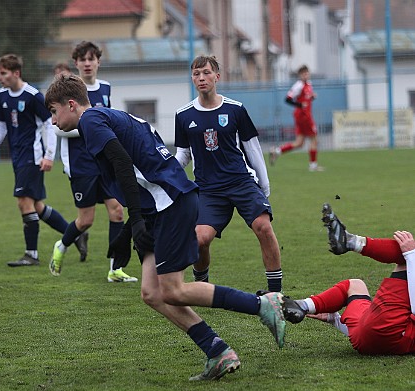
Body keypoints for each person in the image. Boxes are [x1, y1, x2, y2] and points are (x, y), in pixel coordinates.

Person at [45, 73, 287, 381]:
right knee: (152, 293)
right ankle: (217, 350)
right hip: (159, 206)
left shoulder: (90, 120)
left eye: (53, 112)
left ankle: (263, 304)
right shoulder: (106, 116)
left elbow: (121, 164)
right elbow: (136, 164)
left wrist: (134, 221)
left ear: (70, 104)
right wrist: (129, 226)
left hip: (168, 204)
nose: (53, 121)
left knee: (173, 289)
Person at [174, 55, 283, 292]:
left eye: (206, 72)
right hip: (208, 190)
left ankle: (275, 292)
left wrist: (264, 187)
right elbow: (183, 154)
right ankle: (202, 285)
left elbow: (252, 149)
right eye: (196, 74)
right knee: (200, 240)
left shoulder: (235, 110)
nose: (201, 78)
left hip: (241, 182)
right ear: (192, 78)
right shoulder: (184, 115)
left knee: (264, 227)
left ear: (217, 76)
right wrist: (165, 171)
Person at [0, 54, 87, 267]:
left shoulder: (32, 96)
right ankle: (75, 234)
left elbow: (50, 124)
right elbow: (1, 126)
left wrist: (49, 155)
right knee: (36, 206)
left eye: (3, 73)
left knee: (24, 202)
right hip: (17, 157)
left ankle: (32, 254)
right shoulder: (2, 96)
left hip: (32, 157)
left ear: (16, 73)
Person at [49, 41, 136, 283]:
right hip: (81, 165)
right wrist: (89, 130)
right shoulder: (67, 90)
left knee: (117, 211)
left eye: (91, 59)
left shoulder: (105, 88)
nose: (87, 63)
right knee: (86, 220)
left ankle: (115, 268)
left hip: (104, 161)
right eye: (82, 59)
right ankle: (62, 245)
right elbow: (57, 129)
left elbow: (106, 120)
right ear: (75, 63)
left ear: (98, 61)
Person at [281, 203, 415, 355]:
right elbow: (374, 335)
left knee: (409, 254)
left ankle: (350, 242)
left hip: (389, 332)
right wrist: (335, 320)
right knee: (355, 285)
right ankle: (303, 306)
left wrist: (411, 255)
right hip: (371, 339)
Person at [269, 65, 323, 172]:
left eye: (307, 73)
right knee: (314, 139)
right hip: (303, 116)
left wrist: (312, 97)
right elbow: (287, 99)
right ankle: (313, 165)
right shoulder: (298, 85)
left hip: (304, 115)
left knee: (299, 143)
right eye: (303, 74)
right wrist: (299, 105)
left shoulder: (308, 84)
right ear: (300, 75)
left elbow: (306, 98)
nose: (306, 75)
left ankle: (277, 151)